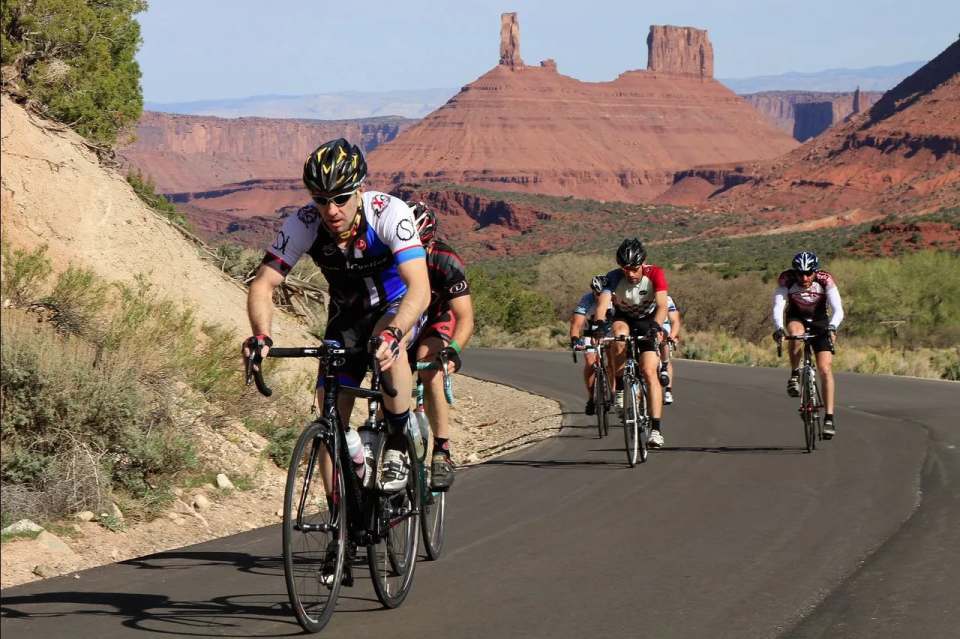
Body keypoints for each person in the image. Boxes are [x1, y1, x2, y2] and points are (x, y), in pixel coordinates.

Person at [244, 138, 431, 493]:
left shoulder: (389, 213)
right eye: (321, 199)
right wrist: (261, 335)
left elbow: (420, 287)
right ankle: (341, 523)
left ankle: (395, 440)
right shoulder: (303, 223)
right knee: (330, 419)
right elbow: (263, 284)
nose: (331, 210)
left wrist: (395, 333)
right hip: (345, 316)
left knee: (388, 349)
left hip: (396, 306)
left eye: (341, 198)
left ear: (360, 189)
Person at [407, 201, 475, 491]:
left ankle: (442, 451)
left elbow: (465, 317)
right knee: (387, 370)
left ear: (430, 243)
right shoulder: (387, 257)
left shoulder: (446, 261)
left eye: (418, 249)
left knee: (429, 365)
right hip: (403, 320)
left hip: (436, 319)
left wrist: (454, 350)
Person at [595, 238, 669, 448]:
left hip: (648, 319)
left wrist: (656, 326)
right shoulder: (613, 277)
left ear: (643, 263)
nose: (630, 273)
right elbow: (602, 305)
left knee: (648, 372)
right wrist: (600, 325)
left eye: (635, 268)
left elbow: (662, 305)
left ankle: (655, 429)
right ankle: (620, 387)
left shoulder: (655, 273)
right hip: (624, 317)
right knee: (618, 336)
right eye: (626, 268)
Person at [772, 251, 844, 439]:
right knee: (795, 334)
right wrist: (779, 328)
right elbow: (779, 305)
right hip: (797, 318)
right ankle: (795, 375)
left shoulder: (825, 279)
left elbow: (838, 309)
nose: (804, 277)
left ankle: (829, 418)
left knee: (825, 370)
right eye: (800, 273)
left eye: (808, 273)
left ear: (815, 271)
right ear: (794, 272)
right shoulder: (786, 279)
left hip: (821, 321)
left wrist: (832, 327)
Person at [568, 274, 615, 415]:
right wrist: (575, 339)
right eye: (596, 293)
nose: (599, 297)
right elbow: (576, 324)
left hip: (609, 331)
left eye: (602, 294)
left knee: (613, 360)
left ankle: (613, 392)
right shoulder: (586, 300)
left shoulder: (615, 298)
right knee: (590, 361)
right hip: (590, 331)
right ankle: (591, 397)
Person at [657, 295, 681, 405]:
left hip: (663, 325)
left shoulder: (667, 299)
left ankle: (668, 391)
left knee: (664, 340)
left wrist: (673, 335)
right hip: (647, 326)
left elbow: (675, 320)